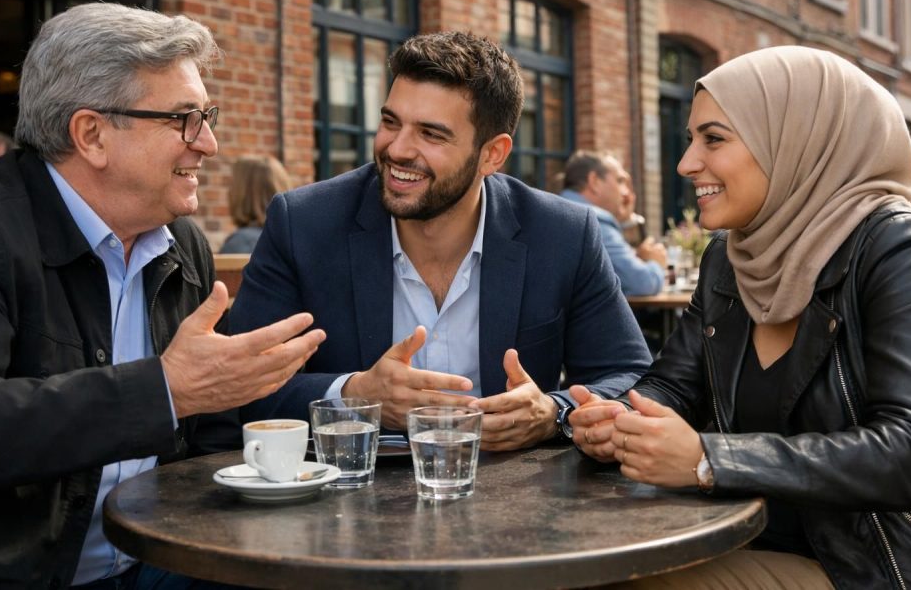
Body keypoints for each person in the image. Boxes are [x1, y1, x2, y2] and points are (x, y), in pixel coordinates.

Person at [0, 3, 326, 589]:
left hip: (162, 563)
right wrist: (162, 391)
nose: (208, 143)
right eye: (184, 119)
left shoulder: (181, 243)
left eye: (206, 116)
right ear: (92, 135)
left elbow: (211, 438)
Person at [569, 46, 911, 588]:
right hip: (734, 533)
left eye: (714, 139)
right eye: (690, 139)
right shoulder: (729, 258)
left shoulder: (899, 248)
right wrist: (619, 419)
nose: (686, 163)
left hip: (870, 569)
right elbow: (674, 385)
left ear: (795, 140)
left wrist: (710, 459)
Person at [231, 31, 651, 451]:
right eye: (390, 122)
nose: (397, 149)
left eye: (431, 134)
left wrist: (552, 414)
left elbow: (632, 378)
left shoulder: (562, 234)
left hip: (512, 484)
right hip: (351, 485)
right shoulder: (303, 224)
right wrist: (354, 395)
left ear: (492, 154)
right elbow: (241, 390)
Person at [560, 150, 667, 296]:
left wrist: (621, 221)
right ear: (594, 181)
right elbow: (642, 283)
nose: (626, 192)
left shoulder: (560, 210)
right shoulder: (593, 221)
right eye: (620, 181)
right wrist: (656, 263)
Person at [220, 154, 293, 253]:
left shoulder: (242, 242)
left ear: (243, 192)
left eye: (231, 184)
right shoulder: (293, 239)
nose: (229, 191)